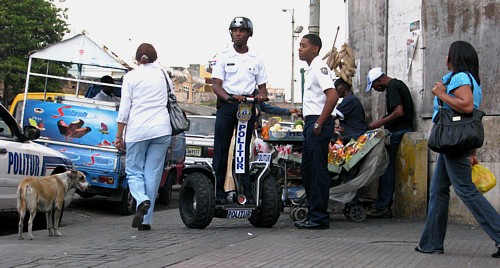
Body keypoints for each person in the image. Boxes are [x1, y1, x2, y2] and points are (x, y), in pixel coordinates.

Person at [416, 41, 500, 258]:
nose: (446, 58)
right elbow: (469, 118)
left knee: (466, 190)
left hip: (452, 141)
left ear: (453, 58)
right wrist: (471, 151)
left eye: (448, 54)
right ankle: (431, 243)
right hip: (455, 142)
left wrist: (440, 94)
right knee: (438, 191)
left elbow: (467, 106)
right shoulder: (470, 78)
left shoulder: (460, 77)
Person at [114, 43, 172, 231]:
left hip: (137, 131)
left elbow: (124, 109)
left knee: (133, 170)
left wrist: (118, 135)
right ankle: (146, 220)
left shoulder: (131, 77)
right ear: (154, 57)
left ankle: (141, 199)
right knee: (152, 174)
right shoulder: (164, 75)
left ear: (137, 58)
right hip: (162, 129)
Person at [211, 17, 268, 205]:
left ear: (248, 34)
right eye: (234, 30)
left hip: (247, 106)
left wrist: (260, 95)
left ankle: (244, 191)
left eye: (242, 31)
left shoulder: (257, 59)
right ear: (231, 33)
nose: (237, 33)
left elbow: (263, 88)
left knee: (243, 149)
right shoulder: (223, 57)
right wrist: (227, 97)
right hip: (228, 104)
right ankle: (218, 192)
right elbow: (216, 85)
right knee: (221, 148)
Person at [295, 33, 339, 230]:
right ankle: (313, 213)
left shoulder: (319, 68)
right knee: (308, 170)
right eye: (299, 45)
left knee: (317, 170)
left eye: (304, 45)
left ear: (315, 49)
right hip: (311, 121)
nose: (299, 49)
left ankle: (319, 217)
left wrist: (318, 123)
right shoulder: (310, 70)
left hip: (318, 123)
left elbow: (333, 96)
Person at [365, 67, 414, 218]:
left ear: (379, 80)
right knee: (387, 167)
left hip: (398, 132)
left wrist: (378, 123)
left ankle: (382, 206)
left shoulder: (393, 87)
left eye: (374, 86)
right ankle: (383, 204)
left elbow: (399, 112)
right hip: (400, 130)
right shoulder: (397, 85)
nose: (375, 89)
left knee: (386, 168)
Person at [332, 77, 368, 143]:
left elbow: (334, 116)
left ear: (342, 88)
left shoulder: (349, 100)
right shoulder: (351, 99)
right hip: (355, 134)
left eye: (336, 89)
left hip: (355, 135)